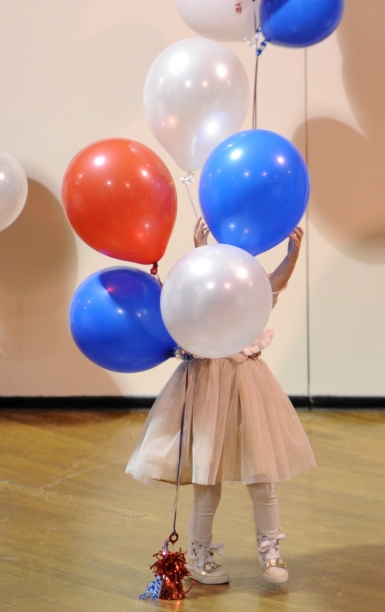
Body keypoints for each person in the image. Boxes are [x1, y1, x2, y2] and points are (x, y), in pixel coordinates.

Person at [126, 222, 315, 585]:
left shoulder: (248, 283)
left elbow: (272, 286)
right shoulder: (199, 283)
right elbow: (184, 301)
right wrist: (198, 249)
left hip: (246, 383)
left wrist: (291, 257)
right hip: (207, 383)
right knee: (206, 476)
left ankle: (271, 549)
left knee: (263, 474)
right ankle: (199, 552)